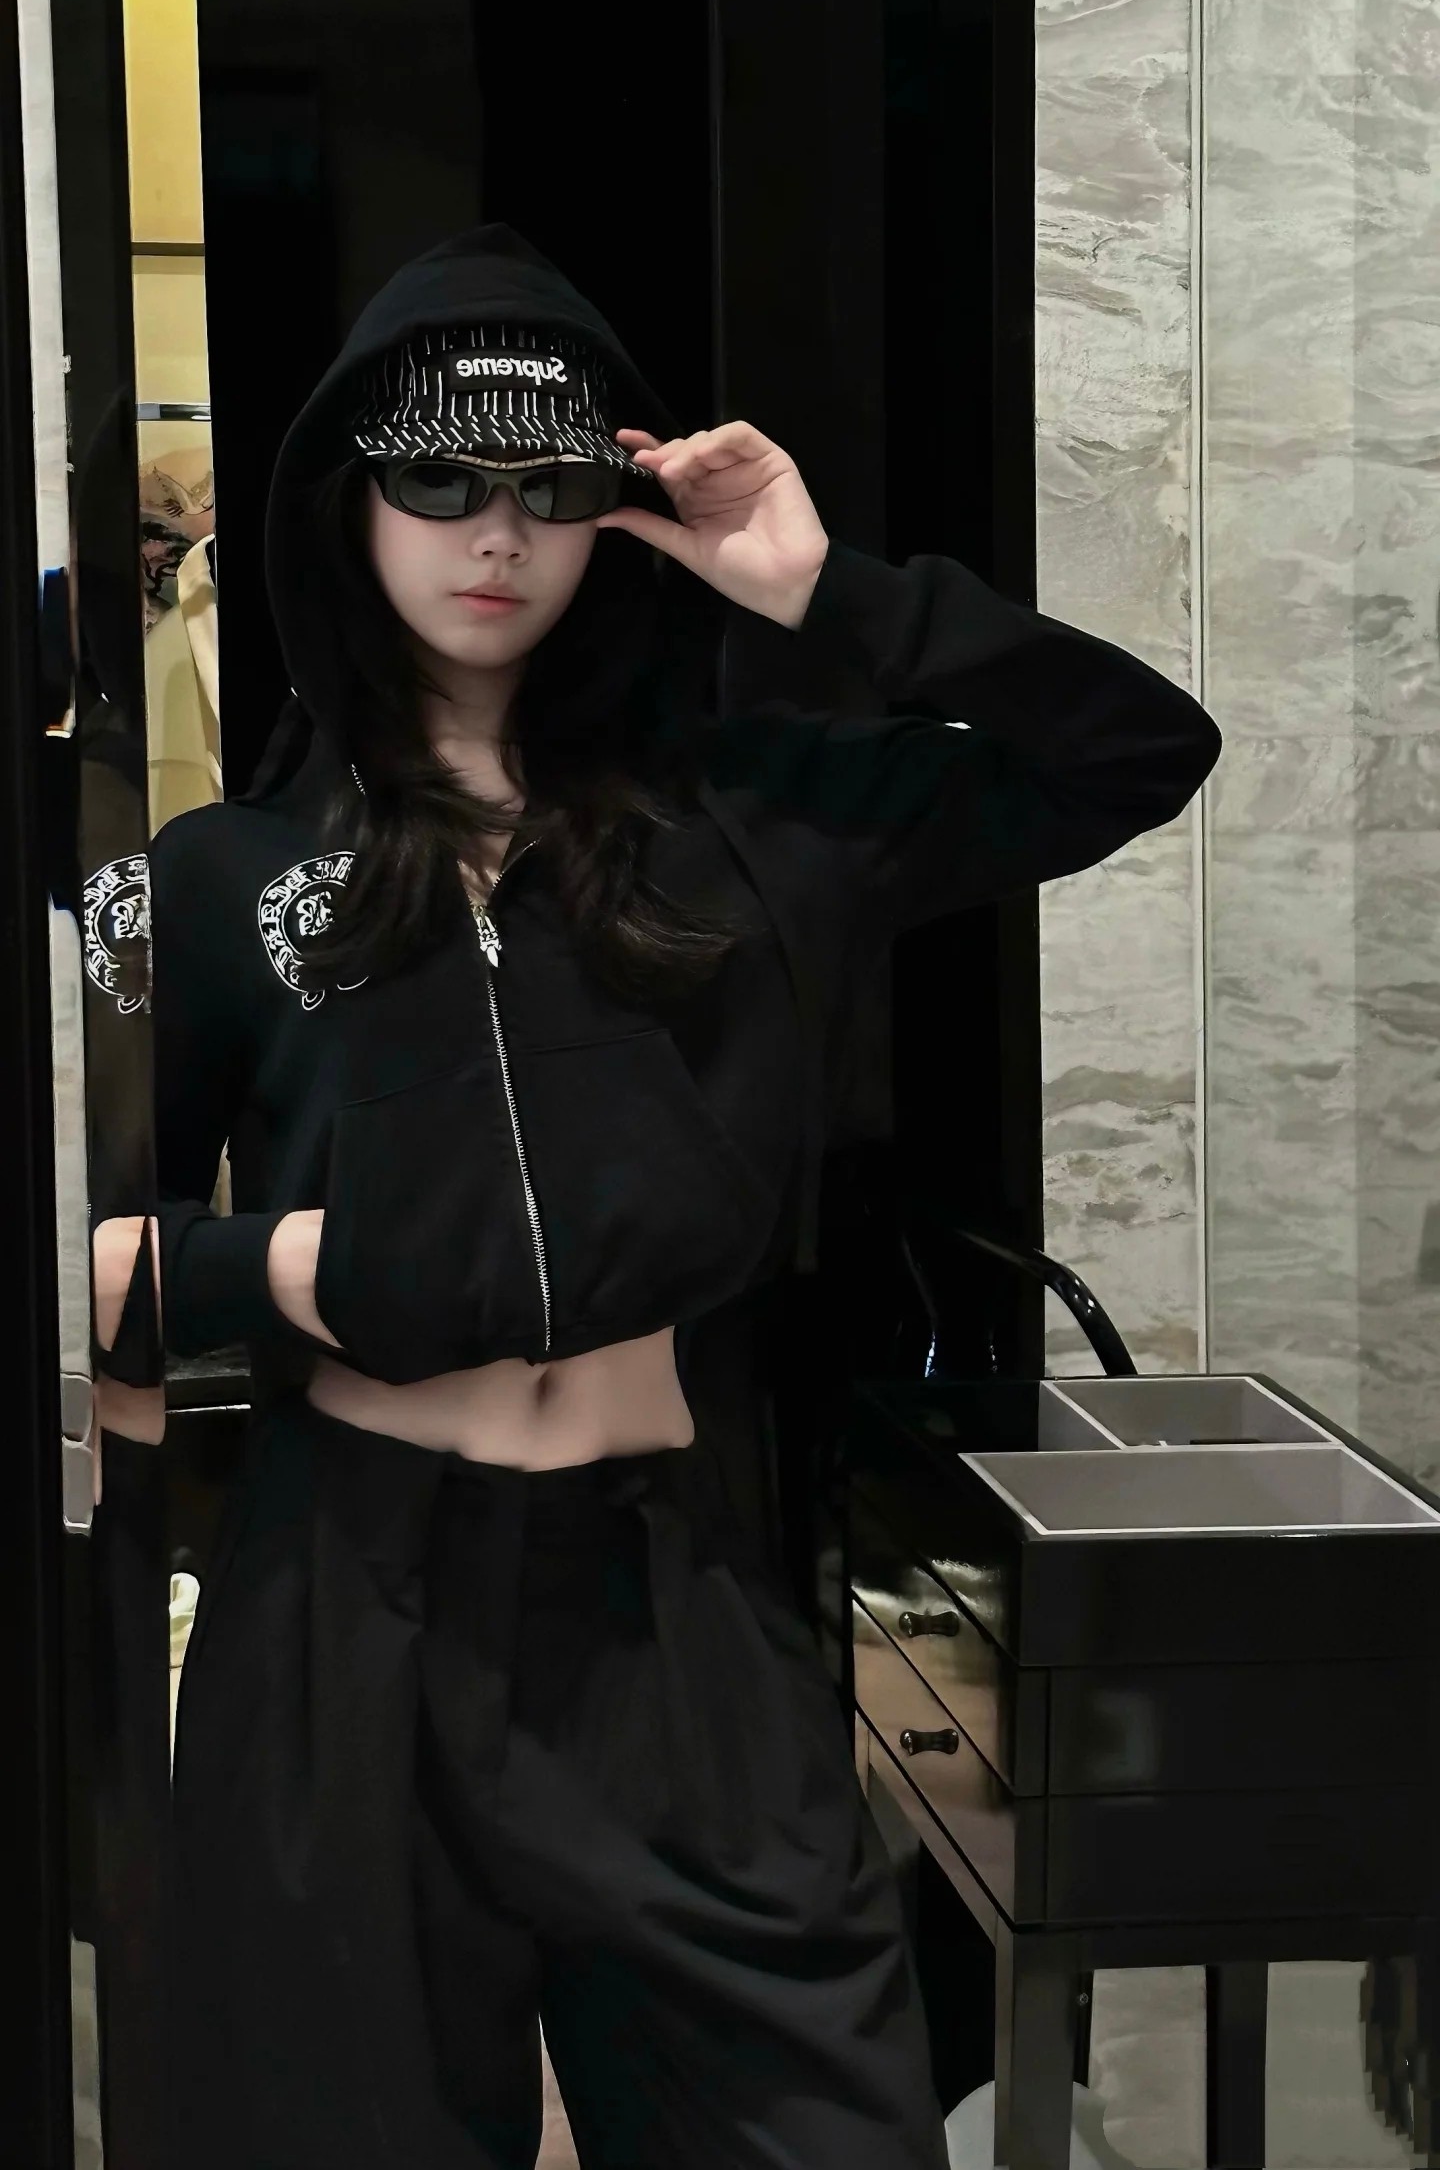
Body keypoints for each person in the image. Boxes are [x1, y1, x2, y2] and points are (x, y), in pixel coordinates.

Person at [128, 221, 1220, 2170]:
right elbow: (77, 1260)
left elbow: (1140, 749)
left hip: (672, 1601)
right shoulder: (211, 879)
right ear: (345, 500)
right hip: (341, 1613)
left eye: (550, 484)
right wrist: (282, 1266)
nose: (496, 529)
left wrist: (823, 591)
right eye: (437, 476)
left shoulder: (753, 820)